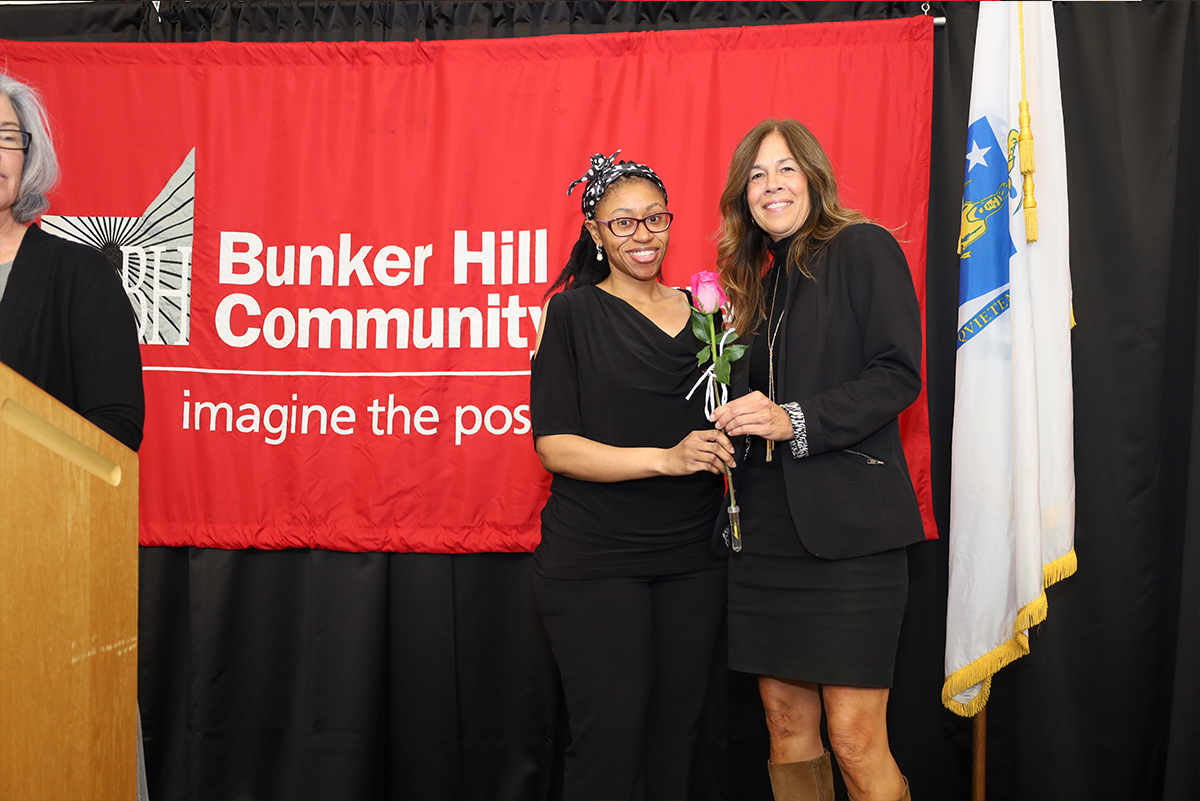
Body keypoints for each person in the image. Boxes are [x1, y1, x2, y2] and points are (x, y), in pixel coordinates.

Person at [709, 119, 924, 801]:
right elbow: (750, 402)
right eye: (756, 176)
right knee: (782, 725)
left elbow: (897, 373)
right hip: (767, 533)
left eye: (785, 170)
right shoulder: (753, 287)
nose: (771, 186)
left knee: (857, 738)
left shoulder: (863, 247)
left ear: (814, 177)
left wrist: (792, 419)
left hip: (852, 535)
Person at [529, 150, 735, 800]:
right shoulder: (570, 315)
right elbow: (555, 446)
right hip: (597, 558)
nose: (642, 234)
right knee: (610, 743)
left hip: (694, 556)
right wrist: (666, 459)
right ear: (594, 232)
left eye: (654, 218)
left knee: (677, 738)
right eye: (622, 223)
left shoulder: (711, 311)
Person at [0, 73, 147, 801]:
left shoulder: (80, 276)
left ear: (30, 157)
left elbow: (117, 432)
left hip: (44, 579)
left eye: (7, 136)